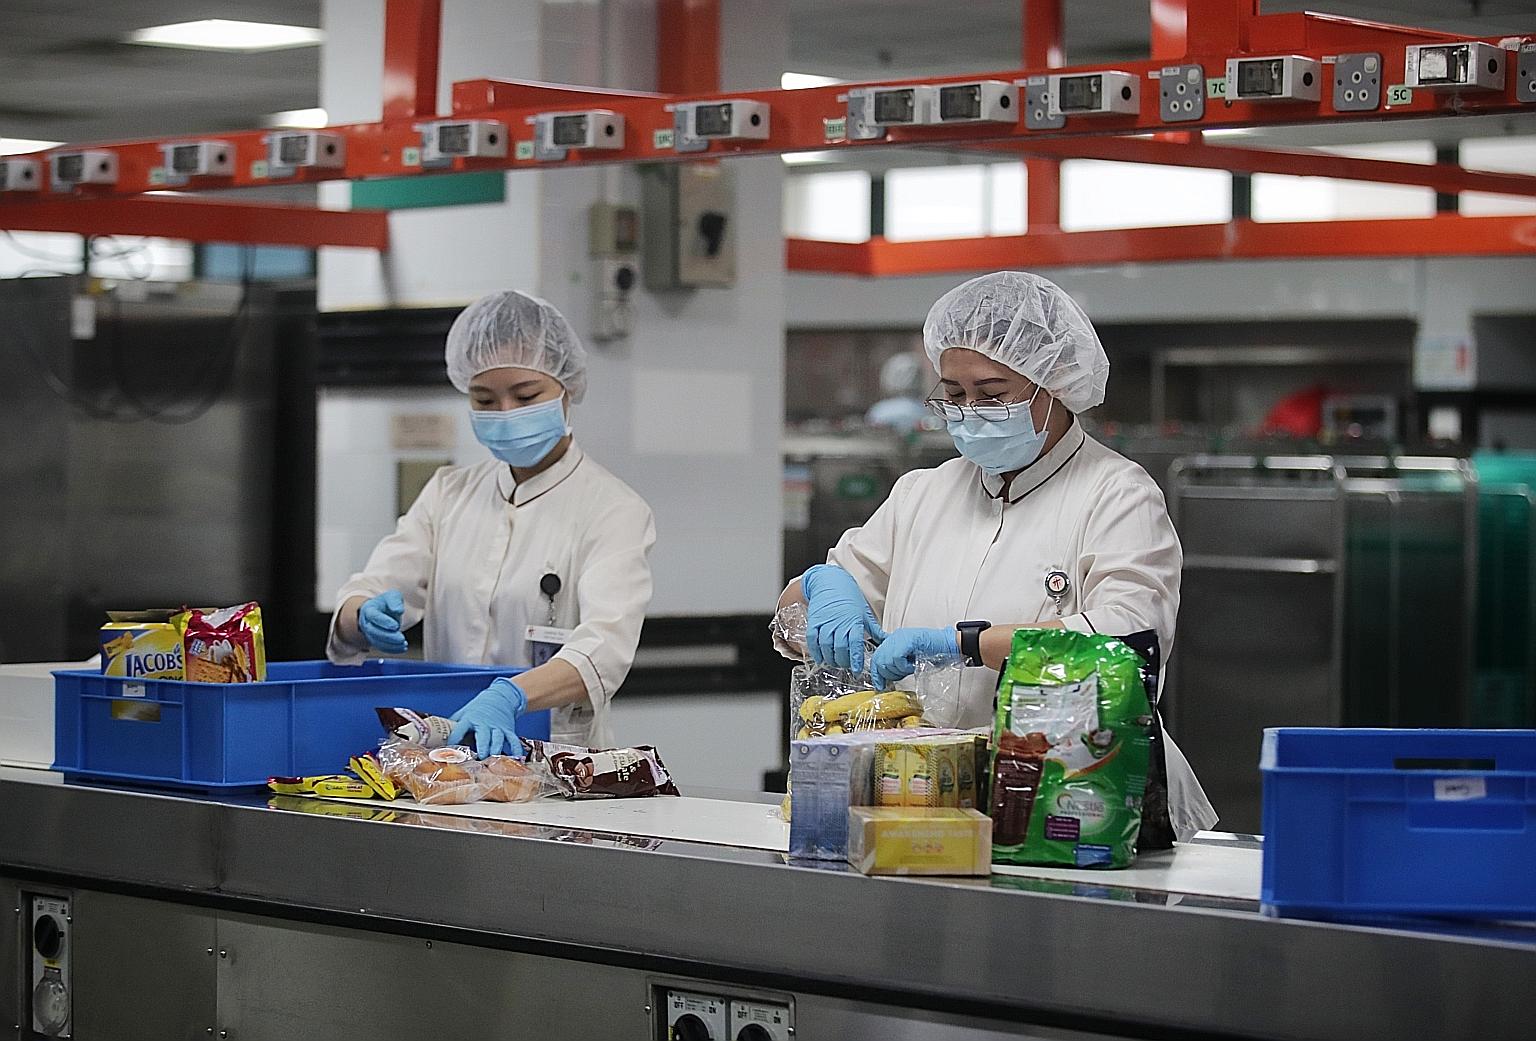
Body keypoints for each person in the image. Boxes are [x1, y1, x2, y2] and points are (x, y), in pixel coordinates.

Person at [774, 270, 1216, 836]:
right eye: (954, 395)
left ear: (1053, 384)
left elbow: (1128, 640)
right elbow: (790, 624)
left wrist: (963, 645)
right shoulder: (922, 494)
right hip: (928, 798)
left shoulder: (1115, 493)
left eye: (992, 394)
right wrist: (818, 590)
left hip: (1083, 801)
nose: (970, 411)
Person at [328, 290, 655, 754]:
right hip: (443, 754)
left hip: (555, 760)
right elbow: (373, 585)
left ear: (567, 390)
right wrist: (360, 616)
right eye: (484, 399)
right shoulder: (448, 493)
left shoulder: (612, 509)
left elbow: (605, 646)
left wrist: (512, 695)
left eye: (525, 396)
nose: (506, 414)